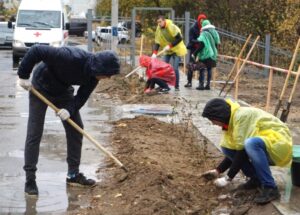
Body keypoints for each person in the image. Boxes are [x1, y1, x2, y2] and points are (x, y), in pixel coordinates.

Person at [18, 45, 120, 196]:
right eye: (107, 74)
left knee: (76, 129)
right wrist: (23, 75)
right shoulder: (69, 56)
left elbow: (81, 98)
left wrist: (69, 110)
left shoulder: (93, 77)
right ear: (99, 68)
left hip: (62, 91)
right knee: (35, 132)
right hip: (40, 86)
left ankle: (73, 175)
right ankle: (30, 179)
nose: (108, 78)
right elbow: (36, 50)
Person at [201, 98, 292, 204]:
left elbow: (242, 151)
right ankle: (256, 179)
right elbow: (235, 151)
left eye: (212, 119)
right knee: (227, 148)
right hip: (265, 145)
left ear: (219, 115)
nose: (213, 123)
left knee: (250, 144)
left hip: (278, 143)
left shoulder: (242, 116)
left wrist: (228, 178)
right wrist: (218, 170)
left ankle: (270, 187)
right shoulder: (232, 122)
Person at [152, 15, 187, 91]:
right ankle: (164, 85)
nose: (159, 24)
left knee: (175, 68)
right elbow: (157, 42)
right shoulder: (159, 29)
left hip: (177, 49)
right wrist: (154, 53)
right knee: (163, 68)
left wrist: (170, 45)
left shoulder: (171, 26)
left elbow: (180, 38)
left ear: (164, 20)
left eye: (160, 22)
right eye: (158, 22)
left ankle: (176, 86)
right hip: (167, 50)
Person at [193, 19, 220, 90]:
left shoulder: (204, 33)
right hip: (213, 53)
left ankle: (201, 85)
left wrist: (195, 53)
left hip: (205, 53)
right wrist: (214, 51)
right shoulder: (215, 32)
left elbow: (201, 44)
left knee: (202, 69)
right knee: (209, 69)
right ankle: (208, 84)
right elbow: (217, 43)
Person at [184, 13, 207, 88]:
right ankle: (189, 82)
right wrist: (198, 41)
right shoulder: (193, 28)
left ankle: (201, 83)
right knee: (191, 65)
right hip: (194, 49)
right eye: (201, 20)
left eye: (203, 20)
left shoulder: (206, 28)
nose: (202, 21)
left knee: (202, 66)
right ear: (198, 19)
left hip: (202, 50)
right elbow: (191, 40)